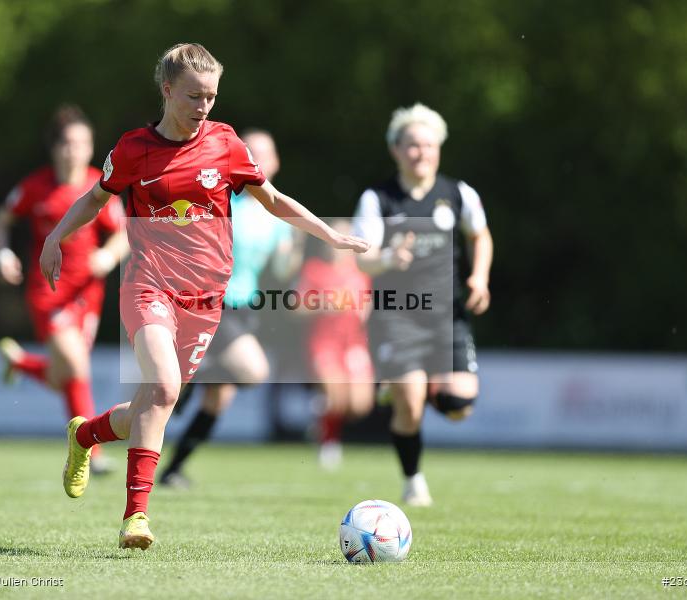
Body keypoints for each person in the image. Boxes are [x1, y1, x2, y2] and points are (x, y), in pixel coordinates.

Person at [38, 43, 369, 550]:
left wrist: (331, 236)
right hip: (148, 285)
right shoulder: (132, 150)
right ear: (167, 90)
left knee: (153, 402)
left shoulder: (226, 144)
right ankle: (136, 518)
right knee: (166, 387)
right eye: (194, 96)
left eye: (212, 97)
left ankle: (86, 435)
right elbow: (94, 198)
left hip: (206, 299)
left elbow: (275, 201)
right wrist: (54, 236)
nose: (204, 107)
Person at [352, 103, 493, 507]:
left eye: (429, 146)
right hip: (396, 314)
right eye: (412, 145)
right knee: (411, 405)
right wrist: (387, 259)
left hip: (448, 315)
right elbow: (363, 257)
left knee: (457, 405)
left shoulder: (458, 193)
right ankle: (413, 481)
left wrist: (479, 277)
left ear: (439, 149)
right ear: (396, 150)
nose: (421, 153)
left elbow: (480, 237)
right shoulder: (377, 199)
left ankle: (407, 384)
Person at [158, 128, 302, 489]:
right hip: (211, 301)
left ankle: (173, 469)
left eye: (266, 154)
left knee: (218, 398)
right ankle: (189, 377)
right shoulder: (224, 202)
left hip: (243, 309)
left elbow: (282, 271)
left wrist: (295, 251)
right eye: (252, 153)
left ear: (277, 162)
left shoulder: (277, 216)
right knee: (253, 370)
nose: (259, 160)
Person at [0, 105, 128, 470]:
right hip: (47, 291)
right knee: (77, 366)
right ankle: (91, 452)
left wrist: (108, 258)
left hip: (88, 295)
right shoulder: (36, 187)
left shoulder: (101, 186)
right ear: (55, 148)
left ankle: (19, 363)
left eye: (82, 142)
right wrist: (2, 254)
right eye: (67, 143)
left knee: (64, 376)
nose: (74, 150)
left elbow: (125, 233)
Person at [296, 219, 374, 470]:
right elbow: (295, 308)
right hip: (324, 342)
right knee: (334, 393)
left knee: (360, 405)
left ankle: (321, 414)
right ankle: (328, 441)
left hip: (353, 343)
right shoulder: (314, 269)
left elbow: (367, 305)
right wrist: (320, 304)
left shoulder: (361, 272)